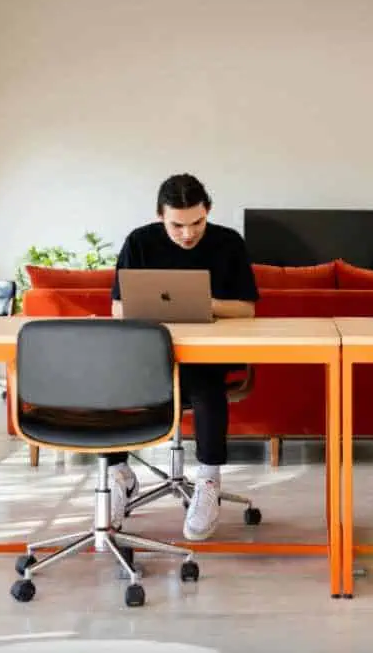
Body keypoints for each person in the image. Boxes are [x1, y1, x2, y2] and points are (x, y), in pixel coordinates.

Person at [108, 173, 259, 540]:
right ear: (160, 216)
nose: (188, 233)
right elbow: (117, 308)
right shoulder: (139, 242)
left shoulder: (229, 243)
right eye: (177, 225)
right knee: (111, 378)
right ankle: (118, 474)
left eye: (197, 223)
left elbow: (247, 309)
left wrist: (204, 303)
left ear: (208, 212)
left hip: (208, 353)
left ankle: (208, 479)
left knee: (205, 382)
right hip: (150, 352)